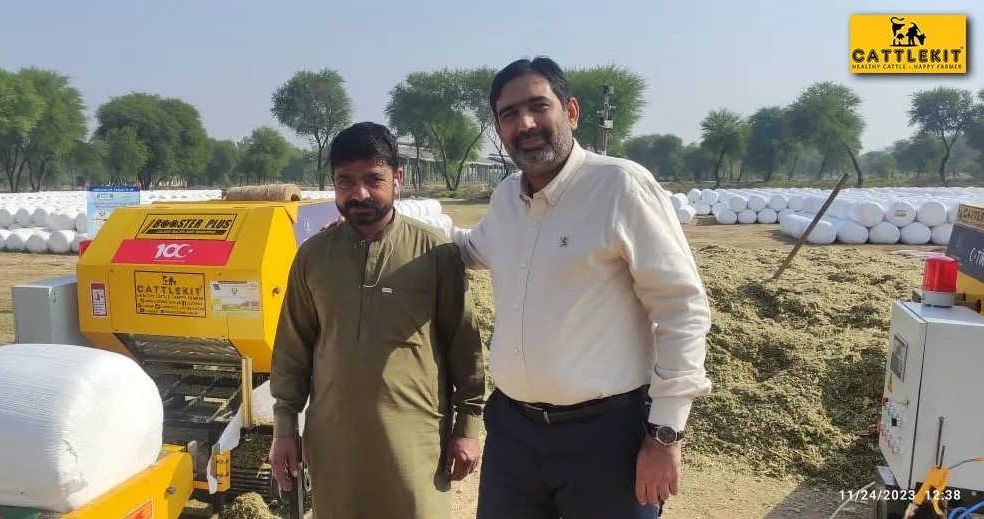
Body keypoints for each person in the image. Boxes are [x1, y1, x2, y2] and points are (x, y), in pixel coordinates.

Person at [451, 57, 713, 518]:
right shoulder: (506, 199)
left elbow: (681, 309)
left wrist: (665, 435)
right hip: (514, 434)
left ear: (570, 112)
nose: (525, 123)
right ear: (499, 127)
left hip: (606, 439)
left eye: (538, 106)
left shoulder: (619, 187)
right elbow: (470, 251)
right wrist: (393, 229)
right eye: (509, 114)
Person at [269, 121, 488, 519]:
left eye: (373, 178)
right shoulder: (313, 257)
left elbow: (465, 346)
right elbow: (292, 349)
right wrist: (284, 428)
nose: (360, 193)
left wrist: (468, 427)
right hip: (335, 444)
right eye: (345, 181)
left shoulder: (434, 254)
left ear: (397, 178)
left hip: (415, 444)